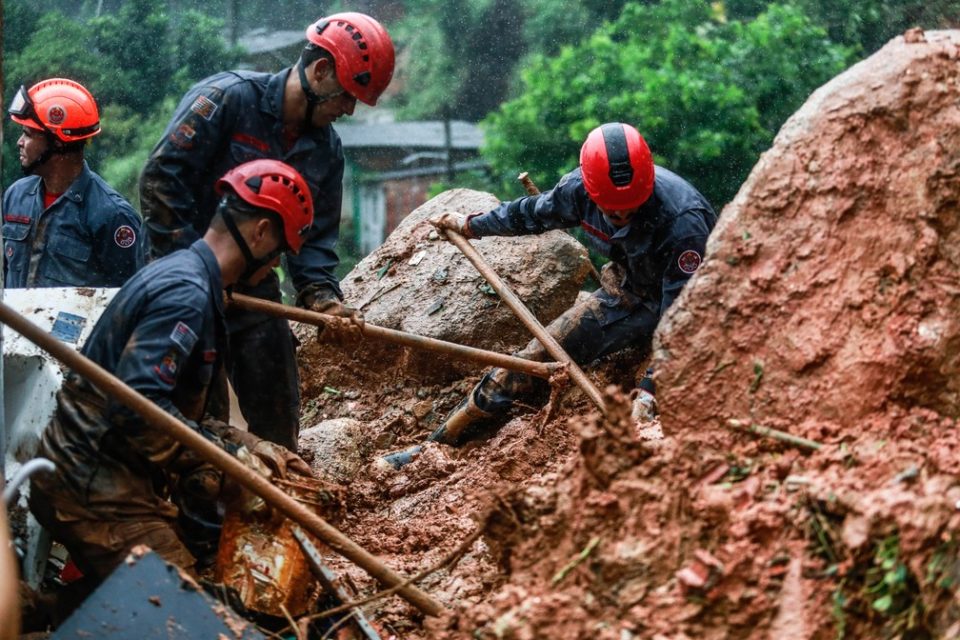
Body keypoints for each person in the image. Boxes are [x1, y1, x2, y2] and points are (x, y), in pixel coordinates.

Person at [29, 160, 315, 587]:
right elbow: (139, 408)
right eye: (279, 253)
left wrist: (253, 447)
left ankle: (42, 616)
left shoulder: (189, 277)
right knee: (188, 612)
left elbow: (176, 415)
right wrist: (235, 465)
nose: (273, 267)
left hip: (106, 478)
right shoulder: (186, 294)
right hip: (92, 489)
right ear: (259, 234)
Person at [380, 123, 718, 469]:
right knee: (531, 358)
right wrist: (470, 225)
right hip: (627, 294)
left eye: (631, 207)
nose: (622, 216)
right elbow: (529, 214)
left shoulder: (684, 222)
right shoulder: (577, 190)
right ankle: (434, 446)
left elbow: (685, 315)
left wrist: (649, 391)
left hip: (686, 303)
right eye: (612, 211)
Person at [138, 12, 395, 449]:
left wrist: (323, 300)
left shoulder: (326, 151)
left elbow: (313, 242)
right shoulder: (225, 99)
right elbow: (161, 183)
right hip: (184, 283)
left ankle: (278, 502)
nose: (349, 110)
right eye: (348, 96)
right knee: (200, 426)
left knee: (278, 414)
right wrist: (194, 273)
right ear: (320, 71)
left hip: (255, 289)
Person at [3, 78, 142, 288]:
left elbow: (134, 300)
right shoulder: (16, 196)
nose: (19, 142)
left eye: (28, 134)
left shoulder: (112, 216)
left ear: (58, 143)